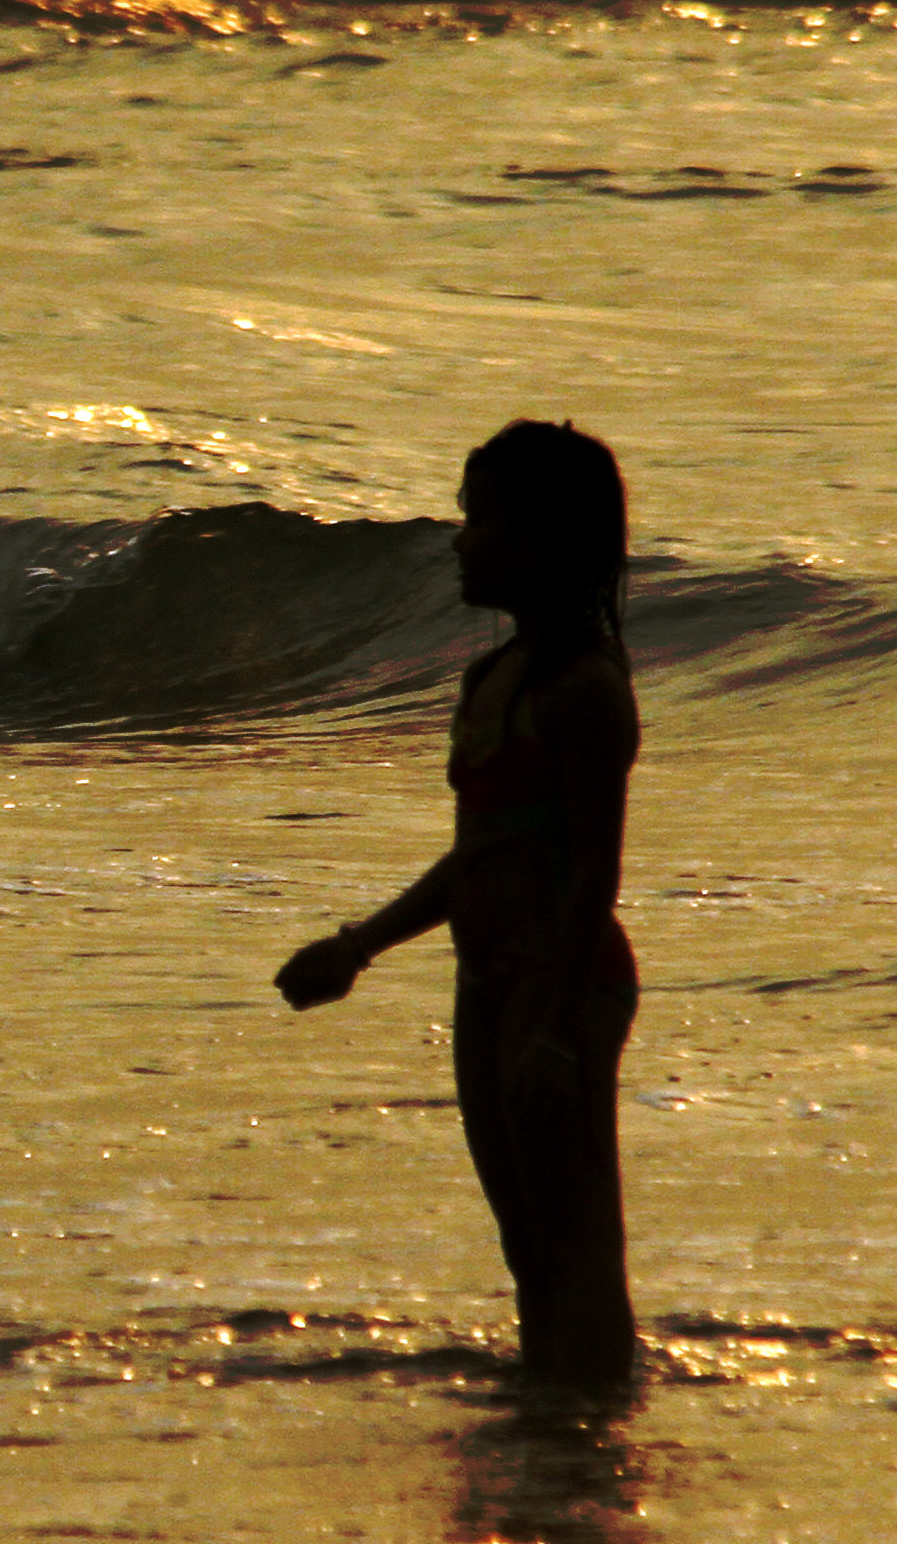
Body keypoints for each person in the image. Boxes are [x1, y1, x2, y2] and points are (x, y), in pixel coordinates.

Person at [272, 420, 643, 1390]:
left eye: (478, 518)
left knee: (578, 1245)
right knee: (526, 1244)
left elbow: (595, 876)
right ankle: (550, 1424)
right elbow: (475, 859)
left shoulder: (586, 691)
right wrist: (359, 947)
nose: (457, 538)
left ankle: (595, 1434)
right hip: (487, 979)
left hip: (564, 981)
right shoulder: (491, 677)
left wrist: (556, 1030)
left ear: (542, 542)